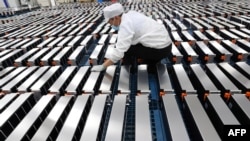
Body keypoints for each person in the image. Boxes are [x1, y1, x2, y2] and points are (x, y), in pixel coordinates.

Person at [91, 3, 172, 72]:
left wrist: (103, 66)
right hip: (166, 45)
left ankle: (129, 69)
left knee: (127, 49)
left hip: (160, 50)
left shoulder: (125, 26)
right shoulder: (131, 14)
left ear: (116, 17)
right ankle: (151, 61)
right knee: (130, 46)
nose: (111, 25)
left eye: (110, 22)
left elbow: (119, 52)